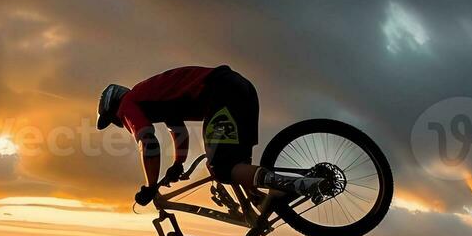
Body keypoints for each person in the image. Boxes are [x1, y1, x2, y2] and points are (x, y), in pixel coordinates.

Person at [97, 66, 322, 207]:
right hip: (239, 88)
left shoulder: (128, 104)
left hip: (221, 93)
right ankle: (274, 199)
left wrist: (150, 187)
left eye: (114, 121)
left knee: (221, 168)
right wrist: (177, 163)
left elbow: (148, 142)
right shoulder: (153, 97)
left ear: (114, 109)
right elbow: (178, 131)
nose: (120, 124)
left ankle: (297, 184)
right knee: (239, 169)